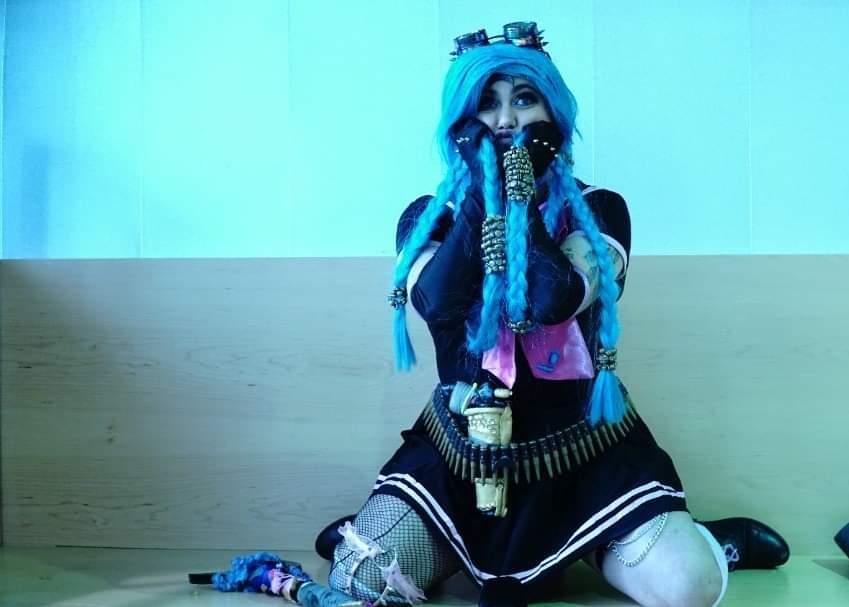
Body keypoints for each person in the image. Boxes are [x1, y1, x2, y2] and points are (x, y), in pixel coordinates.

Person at [315, 22, 789, 607]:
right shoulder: (426, 216)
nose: (504, 120)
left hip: (584, 452)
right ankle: (409, 528)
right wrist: (482, 198)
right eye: (485, 103)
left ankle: (693, 542)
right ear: (460, 121)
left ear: (553, 115)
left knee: (687, 588)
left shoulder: (598, 210)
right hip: (462, 453)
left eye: (523, 99)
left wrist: (520, 195)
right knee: (356, 580)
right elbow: (437, 303)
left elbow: (554, 299)